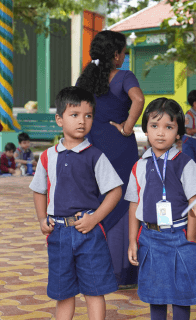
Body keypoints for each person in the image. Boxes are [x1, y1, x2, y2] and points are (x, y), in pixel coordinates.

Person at [30, 87, 123, 320]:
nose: (82, 121)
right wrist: (42, 218)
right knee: (63, 293)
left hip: (88, 233)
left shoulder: (96, 156)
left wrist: (94, 219)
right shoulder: (47, 156)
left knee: (94, 290)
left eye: (88, 115)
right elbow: (39, 190)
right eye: (74, 115)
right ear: (59, 119)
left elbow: (115, 191)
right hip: (58, 233)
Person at [77, 30, 144, 287]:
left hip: (92, 146)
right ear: (115, 55)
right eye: (124, 52)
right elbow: (138, 99)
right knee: (126, 200)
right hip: (119, 147)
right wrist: (128, 127)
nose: (124, 56)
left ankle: (95, 269)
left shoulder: (85, 80)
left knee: (98, 200)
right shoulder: (124, 76)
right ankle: (125, 272)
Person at [125, 98, 196, 320]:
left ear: (178, 133)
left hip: (180, 237)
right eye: (154, 126)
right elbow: (134, 204)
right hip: (150, 238)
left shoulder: (186, 163)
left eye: (169, 127)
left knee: (181, 296)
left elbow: (194, 201)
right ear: (145, 129)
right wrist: (132, 241)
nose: (161, 133)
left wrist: (191, 238)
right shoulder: (140, 166)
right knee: (155, 296)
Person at [182, 90, 196, 162]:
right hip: (189, 141)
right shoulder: (188, 115)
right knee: (190, 163)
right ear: (194, 104)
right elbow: (188, 131)